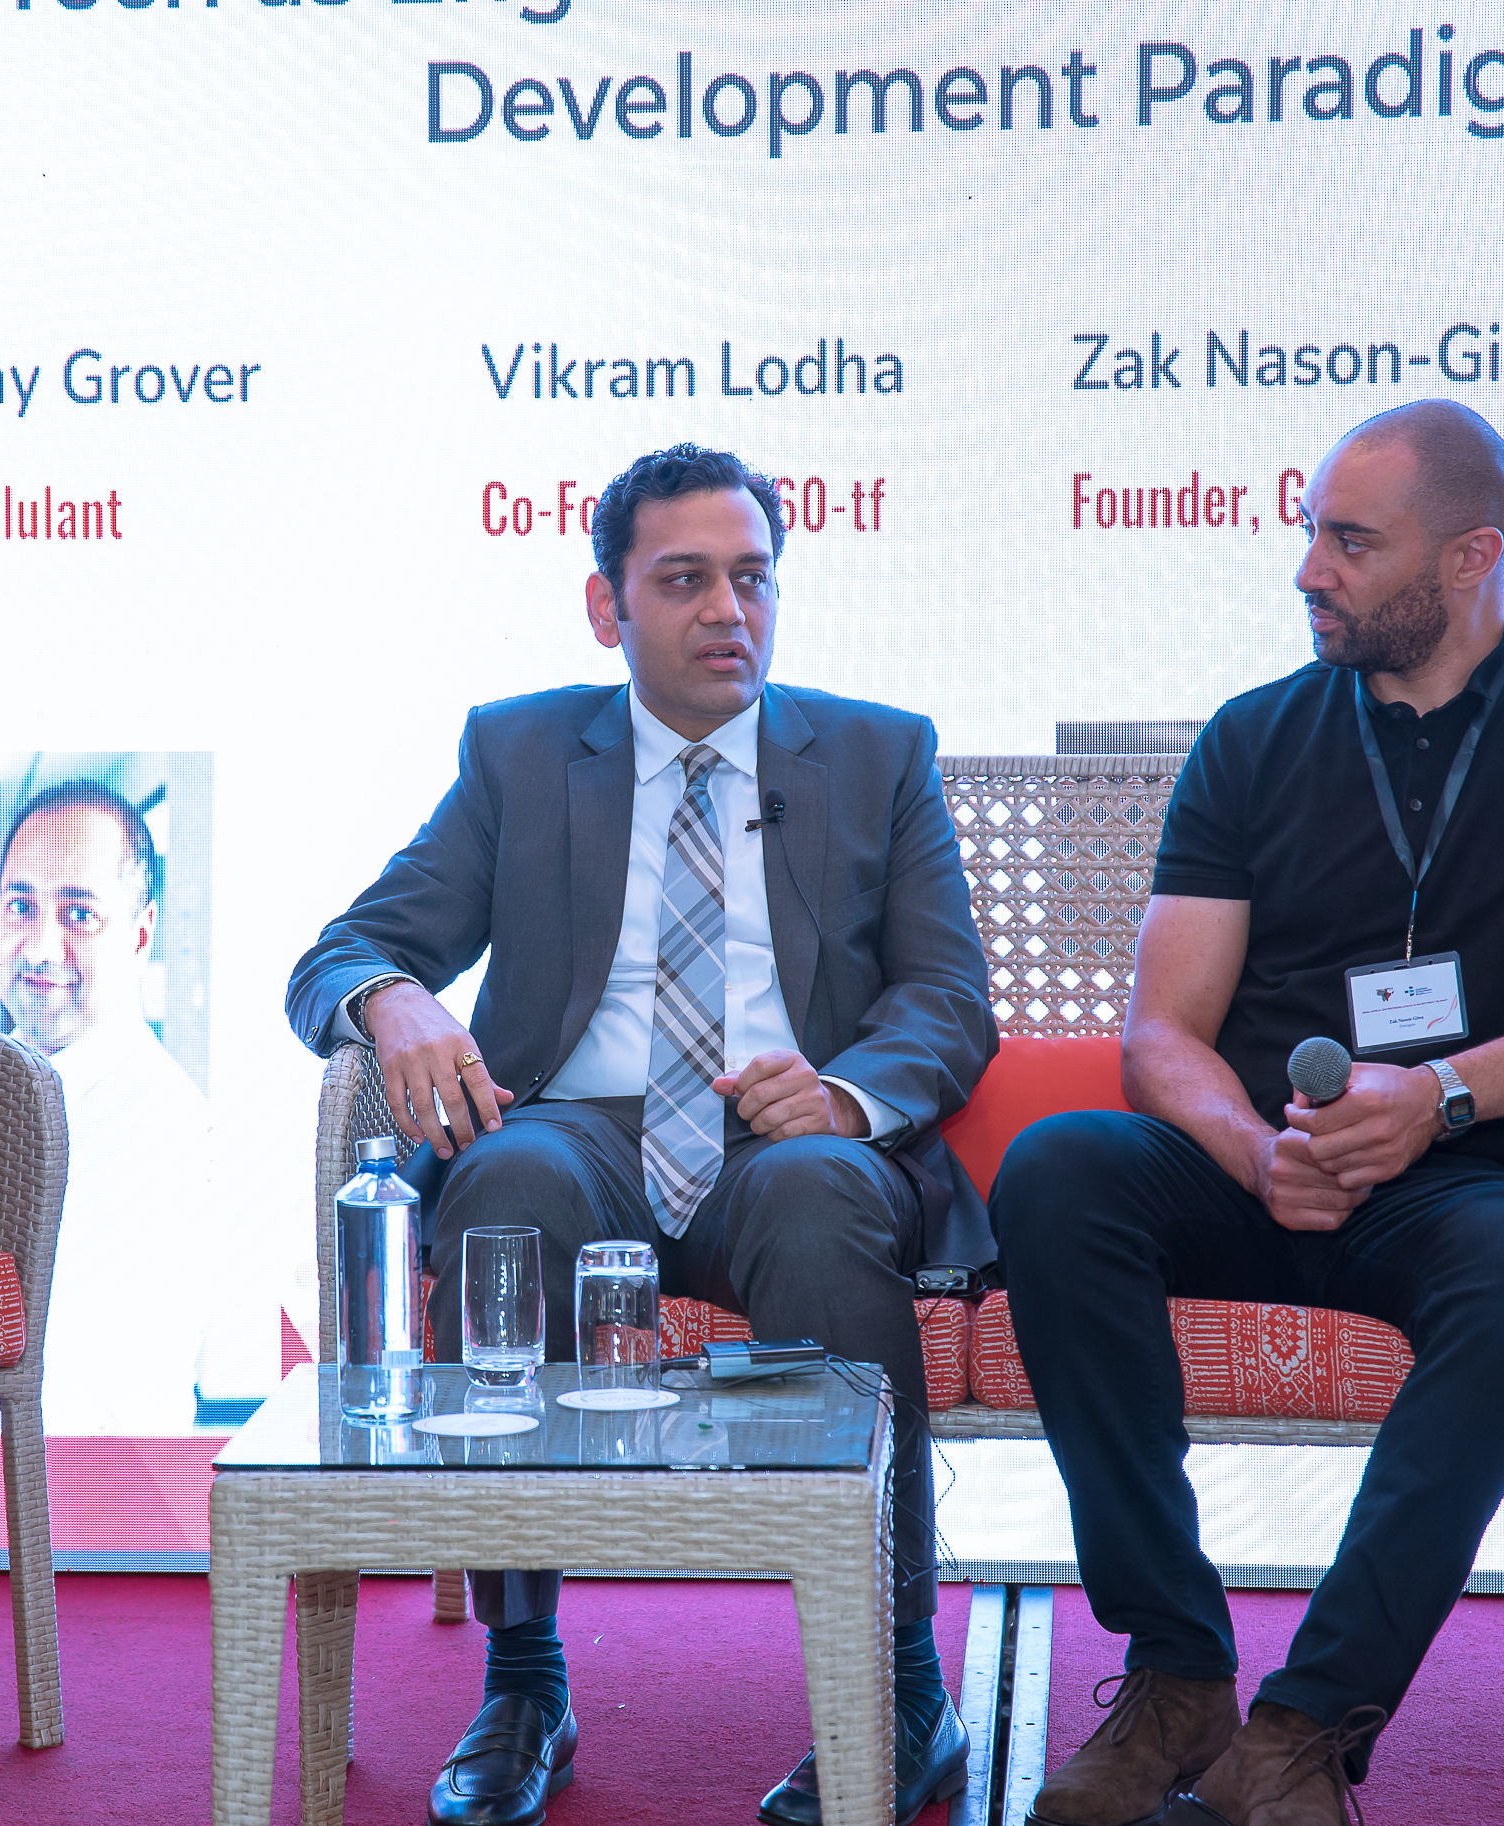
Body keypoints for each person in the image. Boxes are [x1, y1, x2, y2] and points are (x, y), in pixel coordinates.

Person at [999, 401, 1504, 1826]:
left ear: (1470, 556)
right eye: (1310, 532)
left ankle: (1306, 1725)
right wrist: (1252, 1150)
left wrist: (1441, 1095)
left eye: (1349, 541)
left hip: (1463, 1180)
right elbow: (1161, 1034)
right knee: (1060, 1167)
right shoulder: (1254, 734)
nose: (1309, 570)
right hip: (1257, 1173)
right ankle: (1176, 1668)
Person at [286, 443, 998, 1826]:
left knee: (818, 1193)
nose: (729, 609)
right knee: (508, 1179)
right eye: (684, 580)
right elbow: (342, 949)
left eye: (752, 577)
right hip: (583, 1129)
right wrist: (393, 999)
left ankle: (902, 1682)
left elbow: (948, 996)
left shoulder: (876, 754)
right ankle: (524, 1680)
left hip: (790, 1130)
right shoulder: (521, 753)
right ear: (606, 607)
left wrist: (847, 1093)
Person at [0, 782, 218, 1433]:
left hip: (82, 1485)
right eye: (20, 906)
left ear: (141, 934)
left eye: (79, 915)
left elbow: (70, 1394)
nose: (38, 947)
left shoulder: (159, 1129)